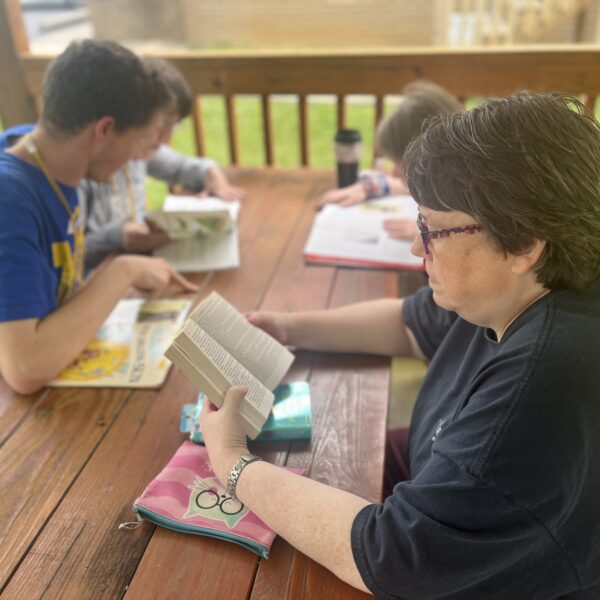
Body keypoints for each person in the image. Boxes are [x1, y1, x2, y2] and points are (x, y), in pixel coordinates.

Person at [198, 92, 600, 597]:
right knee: (314, 443)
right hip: (431, 485)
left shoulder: (545, 380)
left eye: (431, 230)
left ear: (523, 245)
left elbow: (392, 557)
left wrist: (232, 463)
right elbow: (410, 324)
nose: (417, 248)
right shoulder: (521, 286)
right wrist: (289, 327)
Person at [0, 40, 197, 395]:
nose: (136, 157)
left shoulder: (51, 166)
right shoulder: (9, 199)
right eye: (138, 141)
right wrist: (124, 270)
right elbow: (25, 368)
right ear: (104, 130)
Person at [81, 56, 247, 269]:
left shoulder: (141, 154)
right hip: (102, 278)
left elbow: (182, 167)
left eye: (173, 127)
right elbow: (67, 259)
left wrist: (211, 174)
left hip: (140, 265)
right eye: (160, 127)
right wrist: (116, 237)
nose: (165, 140)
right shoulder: (84, 172)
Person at [316, 81, 462, 240]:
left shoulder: (473, 199)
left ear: (433, 162)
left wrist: (432, 232)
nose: (393, 172)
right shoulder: (448, 180)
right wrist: (367, 188)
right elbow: (408, 188)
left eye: (402, 165)